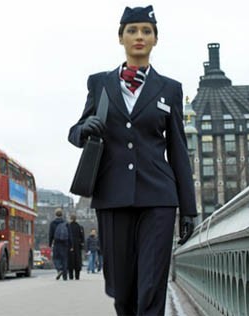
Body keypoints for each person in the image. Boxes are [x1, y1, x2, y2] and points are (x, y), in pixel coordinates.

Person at [68, 5, 196, 315]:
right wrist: (85, 128)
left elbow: (178, 150)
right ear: (121, 37)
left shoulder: (170, 89)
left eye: (146, 31)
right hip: (112, 197)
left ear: (155, 39)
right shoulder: (99, 84)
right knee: (121, 291)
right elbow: (75, 133)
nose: (139, 36)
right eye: (132, 31)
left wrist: (189, 209)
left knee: (151, 287)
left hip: (159, 198)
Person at [48, 208, 70, 281]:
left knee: (55, 258)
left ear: (55, 214)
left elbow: (51, 234)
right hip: (65, 243)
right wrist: (71, 245)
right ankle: (65, 276)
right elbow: (70, 235)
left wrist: (50, 243)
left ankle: (59, 269)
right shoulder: (66, 223)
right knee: (64, 259)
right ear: (62, 214)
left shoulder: (53, 223)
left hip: (57, 243)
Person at [67, 213, 85, 280]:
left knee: (70, 260)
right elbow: (82, 238)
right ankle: (77, 276)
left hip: (70, 245)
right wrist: (82, 246)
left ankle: (71, 276)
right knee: (77, 260)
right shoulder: (80, 227)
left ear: (70, 219)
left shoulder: (68, 226)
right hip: (78, 245)